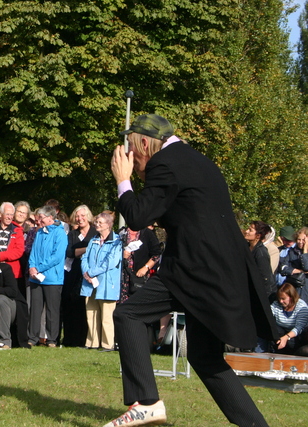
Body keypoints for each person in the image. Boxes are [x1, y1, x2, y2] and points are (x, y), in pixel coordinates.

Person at [108, 114, 276, 426]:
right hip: (216, 269)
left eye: (132, 149)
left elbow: (136, 216)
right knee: (205, 357)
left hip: (195, 269)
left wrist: (123, 180)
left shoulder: (166, 163)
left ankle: (146, 402)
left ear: (145, 143)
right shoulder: (195, 160)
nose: (131, 158)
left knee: (128, 314)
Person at [80, 212, 122, 350]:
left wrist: (91, 273)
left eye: (100, 222)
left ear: (108, 225)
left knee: (106, 315)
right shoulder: (93, 240)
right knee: (91, 312)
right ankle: (91, 342)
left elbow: (110, 262)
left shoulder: (117, 241)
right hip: (90, 283)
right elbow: (84, 257)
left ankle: (107, 344)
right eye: (96, 222)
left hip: (106, 283)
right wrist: (86, 273)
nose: (96, 225)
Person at [27, 205, 68, 348]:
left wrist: (38, 268)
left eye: (41, 218)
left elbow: (56, 257)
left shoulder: (60, 233)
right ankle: (32, 337)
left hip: (53, 278)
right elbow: (33, 252)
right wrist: (32, 267)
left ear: (50, 217)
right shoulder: (39, 233)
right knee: (35, 309)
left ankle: (52, 339)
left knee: (52, 310)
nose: (39, 221)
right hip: (35, 277)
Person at [62, 205, 96, 347]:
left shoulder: (95, 233)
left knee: (87, 308)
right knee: (72, 306)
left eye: (82, 215)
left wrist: (80, 251)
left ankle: (87, 340)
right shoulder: (72, 234)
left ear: (88, 216)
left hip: (90, 274)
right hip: (73, 274)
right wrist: (88, 249)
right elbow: (70, 252)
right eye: (77, 216)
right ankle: (71, 339)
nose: (80, 218)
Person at [256, 283, 308, 355]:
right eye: (279, 298)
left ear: (291, 297)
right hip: (281, 333)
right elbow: (268, 315)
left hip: (296, 336)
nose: (281, 301)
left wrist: (286, 337)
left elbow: (299, 328)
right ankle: (260, 352)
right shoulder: (276, 304)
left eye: (283, 299)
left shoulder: (301, 307)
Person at [119, 226, 161, 304]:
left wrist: (146, 267)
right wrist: (121, 254)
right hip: (122, 276)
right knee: (122, 304)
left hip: (139, 275)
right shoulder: (121, 233)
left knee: (137, 301)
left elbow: (156, 254)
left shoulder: (147, 233)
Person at [244, 221, 276, 301]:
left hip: (262, 294)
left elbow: (265, 278)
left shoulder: (261, 253)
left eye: (250, 230)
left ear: (258, 236)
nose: (247, 231)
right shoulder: (246, 247)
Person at [280, 227, 308, 303]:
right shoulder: (292, 252)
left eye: (303, 240)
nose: (300, 242)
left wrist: (305, 252)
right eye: (299, 239)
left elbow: (306, 267)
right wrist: (299, 271)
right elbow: (283, 269)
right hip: (294, 287)